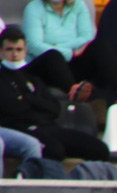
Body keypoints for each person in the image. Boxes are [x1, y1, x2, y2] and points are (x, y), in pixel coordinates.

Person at [0, 28, 110, 161]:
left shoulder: (33, 78)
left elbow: (55, 108)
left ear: (25, 51)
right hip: (23, 130)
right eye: (9, 49)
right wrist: (36, 103)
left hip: (50, 127)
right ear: (1, 52)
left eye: (19, 50)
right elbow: (12, 111)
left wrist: (26, 99)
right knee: (54, 150)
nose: (14, 54)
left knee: (100, 149)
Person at [23, 0, 117, 104]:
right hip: (45, 67)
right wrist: (70, 52)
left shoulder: (79, 5)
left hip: (72, 65)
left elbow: (88, 37)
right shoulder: (34, 8)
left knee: (100, 45)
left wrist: (58, 46)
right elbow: (34, 46)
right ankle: (74, 92)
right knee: (53, 55)